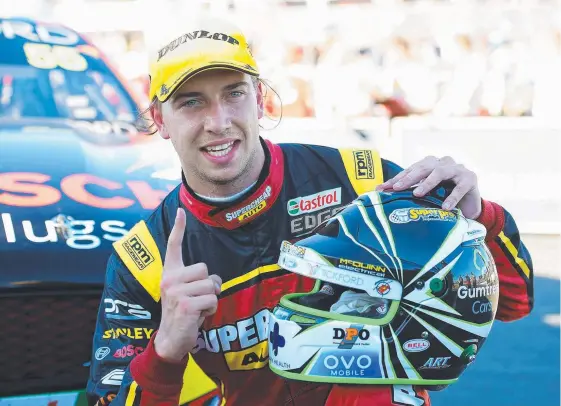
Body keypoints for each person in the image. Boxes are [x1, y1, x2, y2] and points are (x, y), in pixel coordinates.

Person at [86, 16, 534, 406]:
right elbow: (107, 397)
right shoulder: (142, 260)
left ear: (260, 100)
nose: (218, 121)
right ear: (160, 120)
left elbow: (515, 302)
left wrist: (482, 219)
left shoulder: (362, 181)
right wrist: (165, 351)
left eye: (233, 94)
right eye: (191, 102)